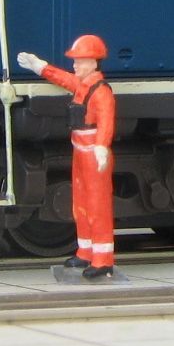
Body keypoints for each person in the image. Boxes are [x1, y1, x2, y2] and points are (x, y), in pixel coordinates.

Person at [17, 35, 116, 279]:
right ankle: (85, 251)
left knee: (97, 206)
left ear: (93, 63)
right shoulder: (83, 86)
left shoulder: (101, 92)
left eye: (79, 61)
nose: (75, 65)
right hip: (80, 153)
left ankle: (103, 259)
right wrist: (40, 67)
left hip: (93, 155)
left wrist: (102, 147)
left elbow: (106, 121)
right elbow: (63, 78)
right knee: (80, 204)